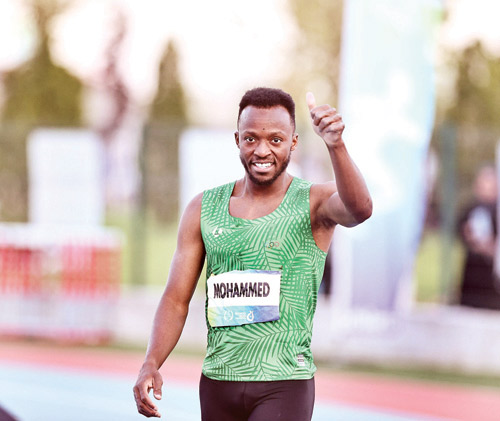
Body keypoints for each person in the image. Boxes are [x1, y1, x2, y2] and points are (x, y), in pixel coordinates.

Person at [133, 87, 372, 420]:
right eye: (251, 139)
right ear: (237, 140)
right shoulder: (204, 208)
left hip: (284, 383)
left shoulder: (314, 202)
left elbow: (360, 209)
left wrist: (336, 144)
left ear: (293, 142)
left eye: (276, 140)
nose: (262, 150)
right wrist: (151, 362)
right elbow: (175, 299)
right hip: (218, 381)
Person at [459, 165, 499, 309]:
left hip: (492, 282)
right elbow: (462, 231)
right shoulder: (470, 208)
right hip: (472, 277)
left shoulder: (497, 211)